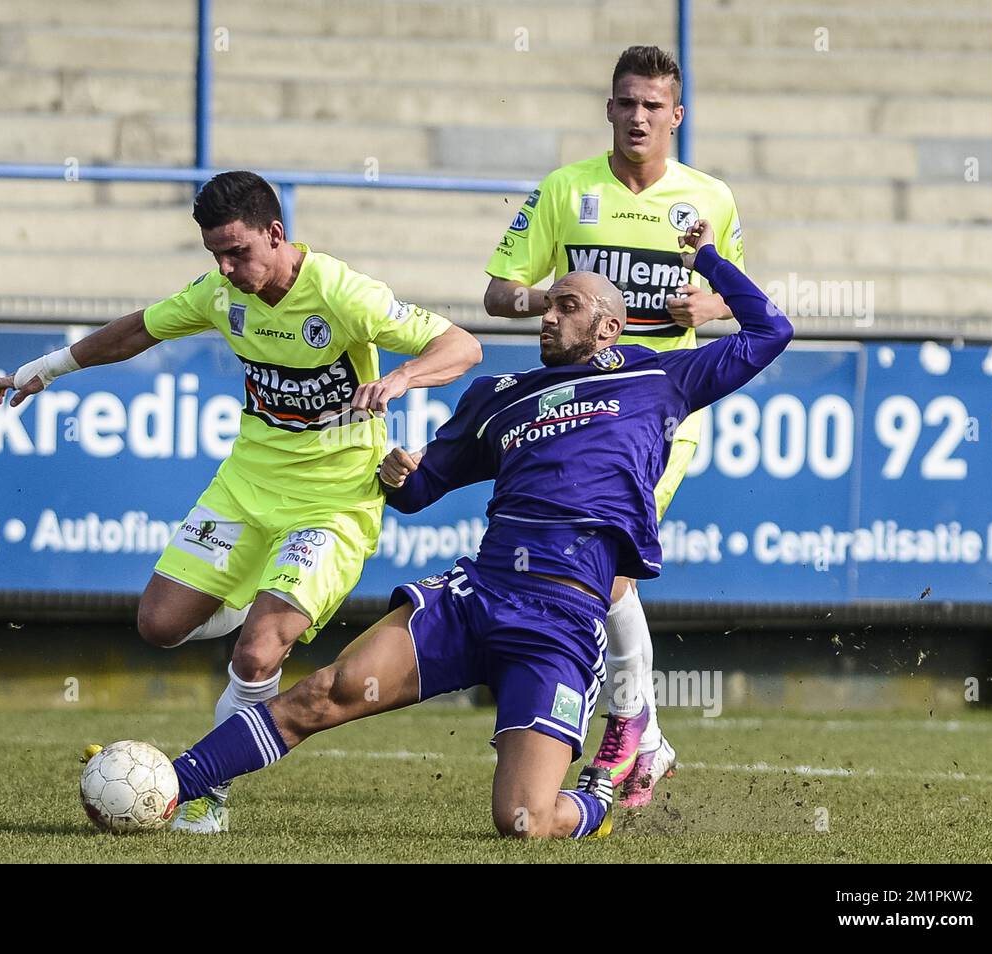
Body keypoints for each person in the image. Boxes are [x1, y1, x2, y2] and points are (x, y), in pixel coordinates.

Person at [161, 220, 790, 838]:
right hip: (477, 594)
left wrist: (706, 257)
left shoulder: (661, 379)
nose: (547, 315)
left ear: (608, 328)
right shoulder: (500, 396)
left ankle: (598, 803)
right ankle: (171, 784)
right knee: (325, 692)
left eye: (566, 307)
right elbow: (420, 491)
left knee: (524, 820)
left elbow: (771, 329)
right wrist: (400, 474)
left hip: (561, 620)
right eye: (546, 305)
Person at [0, 171, 481, 832]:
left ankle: (208, 795)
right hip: (246, 488)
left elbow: (461, 344)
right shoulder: (223, 293)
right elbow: (140, 329)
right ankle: (248, 600)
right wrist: (43, 369)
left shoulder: (340, 292)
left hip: (332, 505)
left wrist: (401, 376)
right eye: (215, 256)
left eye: (237, 253)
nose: (225, 268)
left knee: (256, 654)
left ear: (276, 234)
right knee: (158, 625)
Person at [483, 45, 747, 806]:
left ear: (677, 115)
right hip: (577, 411)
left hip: (661, 409)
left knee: (610, 565)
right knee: (598, 569)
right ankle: (651, 737)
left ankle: (630, 726)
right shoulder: (566, 191)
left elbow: (743, 297)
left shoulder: (710, 200)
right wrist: (562, 299)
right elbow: (501, 292)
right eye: (626, 103)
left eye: (652, 106)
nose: (638, 117)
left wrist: (711, 306)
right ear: (609, 109)